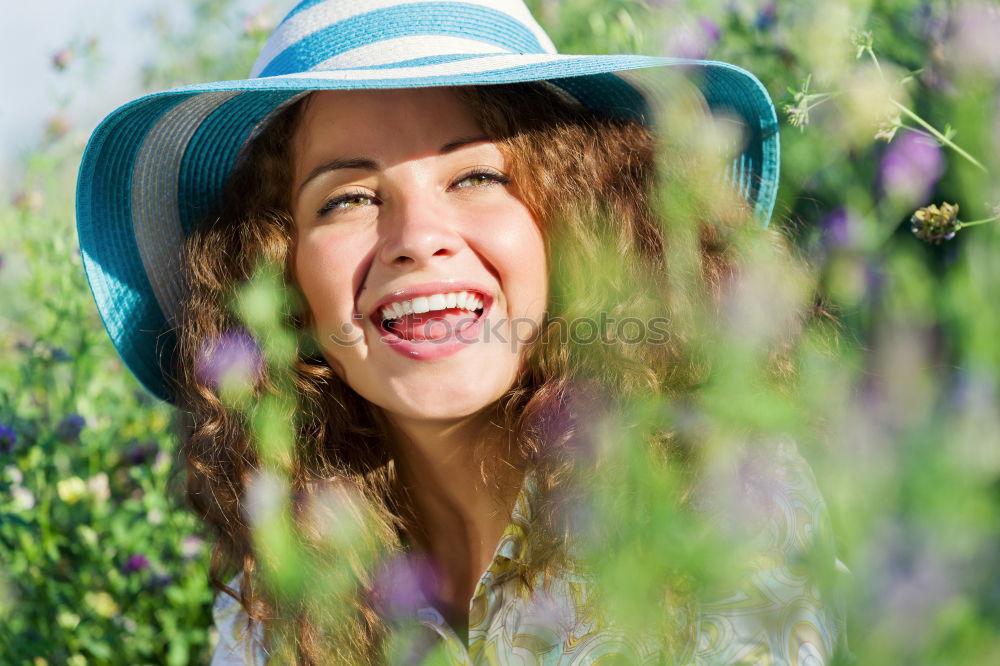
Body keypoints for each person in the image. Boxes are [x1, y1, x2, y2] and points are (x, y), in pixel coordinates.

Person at [76, 0, 843, 663]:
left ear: (571, 230)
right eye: (346, 199)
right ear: (286, 290)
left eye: (476, 177)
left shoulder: (715, 505)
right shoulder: (277, 603)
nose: (418, 237)